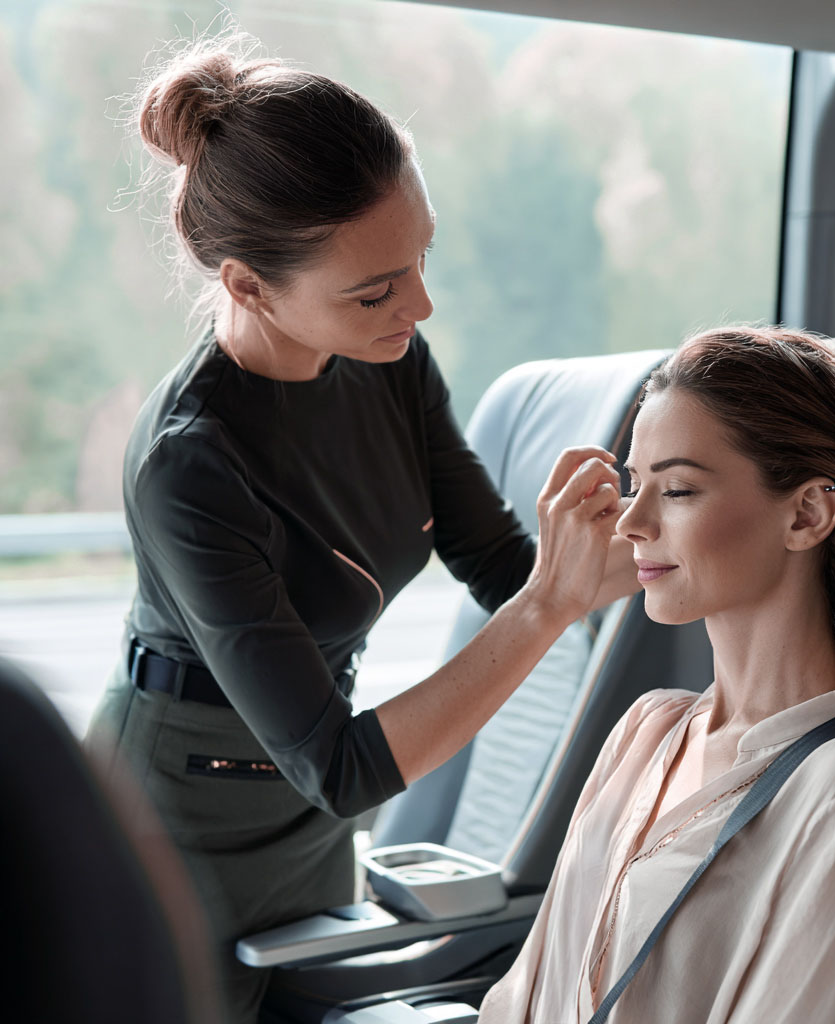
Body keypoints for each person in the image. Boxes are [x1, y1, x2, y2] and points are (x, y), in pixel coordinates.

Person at [84, 31, 636, 1023]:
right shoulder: (189, 461)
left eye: (418, 258)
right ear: (248, 284)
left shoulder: (389, 359)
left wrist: (635, 557)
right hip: (176, 815)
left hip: (305, 802)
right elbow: (340, 764)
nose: (417, 305)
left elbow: (494, 556)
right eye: (376, 288)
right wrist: (556, 601)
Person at [478, 327, 835, 1024]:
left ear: (808, 513)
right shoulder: (644, 733)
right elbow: (524, 995)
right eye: (634, 486)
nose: (631, 522)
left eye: (677, 490)